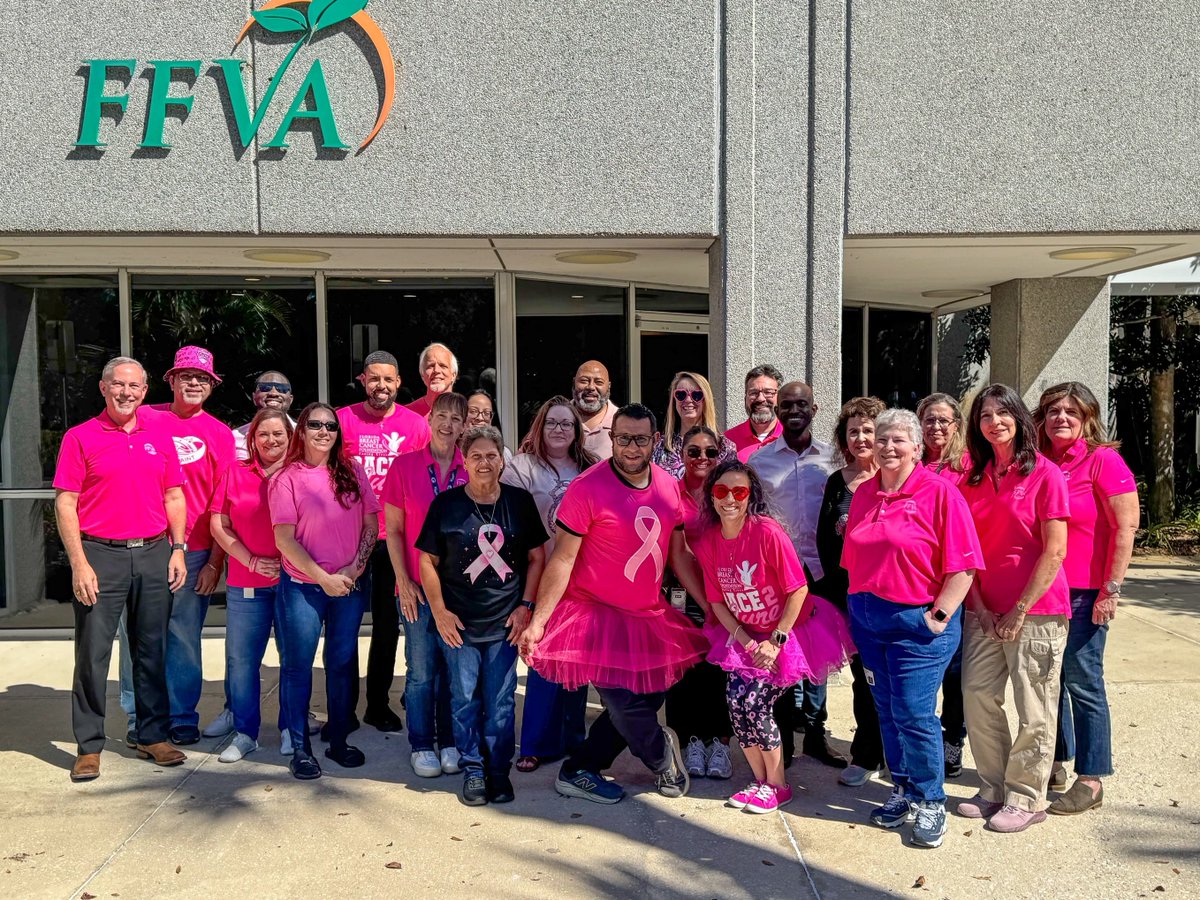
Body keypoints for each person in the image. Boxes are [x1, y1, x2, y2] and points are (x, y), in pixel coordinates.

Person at [522, 403, 709, 804]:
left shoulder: (666, 485)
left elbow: (678, 555)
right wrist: (540, 620)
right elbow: (563, 558)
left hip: (646, 614)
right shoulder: (587, 487)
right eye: (622, 438)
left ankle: (579, 768)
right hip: (593, 613)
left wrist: (710, 608)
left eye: (640, 439)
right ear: (612, 438)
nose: (630, 447)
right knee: (622, 701)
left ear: (655, 441)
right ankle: (662, 760)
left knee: (648, 695)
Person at [841, 408, 982, 849]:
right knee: (885, 709)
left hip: (915, 623)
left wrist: (937, 617)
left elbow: (964, 567)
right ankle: (901, 787)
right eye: (881, 439)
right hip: (868, 621)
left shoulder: (940, 493)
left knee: (914, 713)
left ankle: (931, 799)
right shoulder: (865, 493)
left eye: (898, 440)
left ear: (918, 447)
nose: (887, 447)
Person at [693, 460, 854, 813]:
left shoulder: (766, 532)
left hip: (790, 631)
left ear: (751, 496)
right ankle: (759, 780)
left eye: (739, 492)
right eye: (721, 491)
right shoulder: (708, 542)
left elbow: (797, 591)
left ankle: (778, 785)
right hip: (746, 636)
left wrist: (774, 641)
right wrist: (746, 641)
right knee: (736, 705)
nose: (730, 499)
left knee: (757, 704)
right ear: (712, 496)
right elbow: (717, 600)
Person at [54, 357, 188, 781]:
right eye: (119, 385)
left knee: (152, 651)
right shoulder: (80, 438)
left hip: (153, 553)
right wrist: (79, 563)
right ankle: (89, 746)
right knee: (93, 654)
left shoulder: (160, 437)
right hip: (101, 556)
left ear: (145, 392)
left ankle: (152, 736)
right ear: (103, 387)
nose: (127, 392)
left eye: (134, 386)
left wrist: (178, 549)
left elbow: (173, 497)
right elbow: (65, 503)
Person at [958, 384, 1070, 833]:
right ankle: (994, 786)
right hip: (985, 610)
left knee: (1034, 706)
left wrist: (1020, 609)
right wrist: (981, 607)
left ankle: (1027, 796)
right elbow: (965, 552)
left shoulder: (1045, 474)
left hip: (1037, 612)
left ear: (1020, 419)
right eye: (985, 415)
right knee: (977, 695)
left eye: (1003, 413)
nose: (993, 422)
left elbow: (1055, 550)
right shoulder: (974, 478)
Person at [418, 426, 548, 805]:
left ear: (502, 458)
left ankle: (497, 771)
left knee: (501, 700)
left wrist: (526, 607)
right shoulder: (446, 504)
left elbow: (537, 557)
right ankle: (473, 767)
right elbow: (427, 560)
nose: (485, 463)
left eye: (492, 455)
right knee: (463, 698)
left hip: (505, 622)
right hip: (459, 623)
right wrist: (439, 612)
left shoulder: (520, 502)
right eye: (476, 456)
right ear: (464, 459)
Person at [1034, 382, 1138, 816]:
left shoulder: (1103, 461)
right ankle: (1057, 761)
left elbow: (1125, 527)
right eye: (1053, 411)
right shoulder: (1040, 463)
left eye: (1071, 412)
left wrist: (1110, 590)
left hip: (1084, 593)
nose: (1061, 418)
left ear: (1088, 419)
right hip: (1044, 590)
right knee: (1048, 679)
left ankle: (1092, 779)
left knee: (1083, 682)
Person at [133, 346, 236, 746]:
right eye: (187, 376)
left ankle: (180, 716)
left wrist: (214, 561)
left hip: (193, 550)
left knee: (182, 636)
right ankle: (141, 716)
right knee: (140, 635)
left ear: (211, 386)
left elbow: (222, 502)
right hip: (141, 545)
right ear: (171, 380)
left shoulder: (219, 434)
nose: (195, 383)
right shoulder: (145, 418)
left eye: (203, 378)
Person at [270, 403, 379, 780]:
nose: (323, 431)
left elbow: (370, 524)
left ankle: (338, 740)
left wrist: (354, 567)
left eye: (330, 425)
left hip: (348, 584)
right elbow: (284, 539)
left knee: (341, 664)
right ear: (301, 430)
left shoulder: (353, 470)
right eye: (314, 424)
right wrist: (322, 577)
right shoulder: (287, 477)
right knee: (298, 667)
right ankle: (300, 748)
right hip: (303, 587)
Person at [748, 381, 842, 767]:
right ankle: (784, 740)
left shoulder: (834, 458)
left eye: (801, 403)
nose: (793, 410)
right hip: (780, 574)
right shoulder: (759, 461)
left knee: (819, 658)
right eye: (786, 404)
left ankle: (816, 736)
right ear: (777, 409)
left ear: (814, 409)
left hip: (822, 569)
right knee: (783, 656)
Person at [338, 350, 431, 735]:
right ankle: (342, 708)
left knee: (389, 625)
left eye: (388, 380)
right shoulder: (343, 420)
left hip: (395, 539)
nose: (382, 386)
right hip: (349, 537)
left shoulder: (415, 425)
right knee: (342, 625)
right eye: (374, 379)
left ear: (398, 382)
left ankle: (377, 704)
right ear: (363, 380)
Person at [502, 396, 596, 773]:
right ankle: (537, 743)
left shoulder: (592, 469)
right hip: (539, 569)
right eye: (552, 423)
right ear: (540, 426)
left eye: (567, 424)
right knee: (540, 656)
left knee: (576, 658)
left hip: (583, 572)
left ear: (577, 432)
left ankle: (573, 738)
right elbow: (510, 519)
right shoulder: (521, 467)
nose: (559, 430)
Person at [382, 392, 468, 777]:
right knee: (419, 671)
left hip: (459, 592)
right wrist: (402, 578)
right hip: (416, 587)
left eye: (456, 418)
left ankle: (449, 741)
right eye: (442, 416)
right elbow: (395, 530)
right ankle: (421, 743)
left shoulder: (474, 467)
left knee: (454, 672)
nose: (448, 424)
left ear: (465, 425)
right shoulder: (404, 466)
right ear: (429, 419)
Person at [208, 409, 292, 763]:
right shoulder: (235, 472)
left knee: (294, 661)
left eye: (279, 435)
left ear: (291, 439)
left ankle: (292, 728)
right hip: (246, 584)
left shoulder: (303, 474)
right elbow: (218, 523)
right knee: (242, 662)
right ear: (252, 440)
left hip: (293, 584)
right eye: (263, 435)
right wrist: (250, 560)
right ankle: (245, 733)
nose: (271, 441)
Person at [814, 396, 887, 787]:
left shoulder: (900, 478)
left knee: (899, 679)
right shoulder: (836, 483)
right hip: (851, 600)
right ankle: (866, 753)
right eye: (853, 431)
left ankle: (900, 753)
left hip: (897, 597)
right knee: (865, 677)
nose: (861, 438)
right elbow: (825, 543)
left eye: (869, 430)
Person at [668, 425, 735, 781]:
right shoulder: (670, 492)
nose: (702, 459)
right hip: (685, 595)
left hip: (726, 592)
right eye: (694, 451)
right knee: (684, 670)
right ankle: (690, 740)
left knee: (720, 670)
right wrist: (707, 604)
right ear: (682, 455)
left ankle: (720, 742)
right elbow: (677, 554)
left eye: (710, 452)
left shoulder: (727, 491)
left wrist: (722, 601)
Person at [917, 392, 971, 777]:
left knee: (955, 670)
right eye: (929, 420)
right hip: (918, 582)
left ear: (956, 425)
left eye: (943, 420)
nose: (936, 427)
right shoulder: (909, 464)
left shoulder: (970, 467)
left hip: (959, 581)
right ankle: (922, 738)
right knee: (921, 669)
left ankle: (953, 740)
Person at [650, 371, 736, 478]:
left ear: (706, 400)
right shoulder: (659, 447)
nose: (688, 400)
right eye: (681, 395)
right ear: (674, 400)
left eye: (696, 395)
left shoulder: (725, 447)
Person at [724, 365, 785, 462]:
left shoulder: (790, 437)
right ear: (745, 399)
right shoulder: (727, 441)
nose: (760, 398)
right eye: (753, 393)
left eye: (768, 392)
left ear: (780, 398)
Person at [232, 371, 296, 462]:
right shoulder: (234, 437)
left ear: (290, 399)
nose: (273, 393)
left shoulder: (303, 435)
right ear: (254, 397)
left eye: (282, 389)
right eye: (265, 388)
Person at [571, 360, 619, 460]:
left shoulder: (622, 421)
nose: (591, 387)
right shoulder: (555, 419)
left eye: (599, 382)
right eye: (584, 381)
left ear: (609, 387)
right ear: (574, 383)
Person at [407, 342, 459, 418]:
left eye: (442, 366)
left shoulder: (467, 413)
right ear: (422, 374)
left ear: (453, 375)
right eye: (430, 366)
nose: (436, 370)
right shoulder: (407, 414)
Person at [466, 389, 513, 462]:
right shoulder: (451, 452)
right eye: (473, 411)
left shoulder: (504, 454)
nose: (480, 418)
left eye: (487, 413)